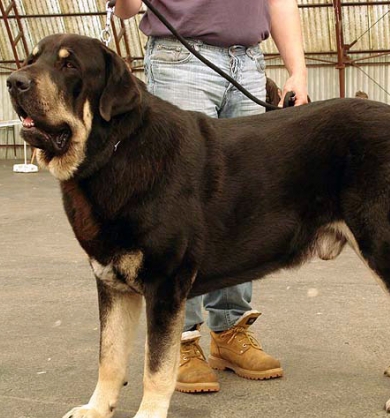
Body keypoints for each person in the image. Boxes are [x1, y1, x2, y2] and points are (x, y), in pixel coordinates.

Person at [114, 0, 308, 394]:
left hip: (249, 63)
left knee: (244, 205)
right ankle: (180, 341)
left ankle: (230, 331)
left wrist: (298, 71)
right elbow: (126, 8)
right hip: (180, 58)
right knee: (180, 206)